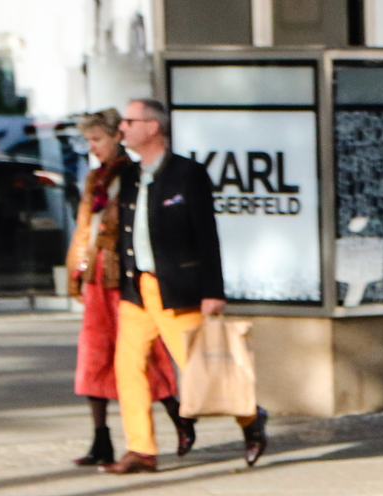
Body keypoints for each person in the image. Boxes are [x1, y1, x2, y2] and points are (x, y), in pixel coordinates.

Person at [105, 98, 269, 475]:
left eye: (129, 121)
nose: (122, 129)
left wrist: (213, 291)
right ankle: (140, 449)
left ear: (152, 127)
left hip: (177, 288)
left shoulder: (187, 173)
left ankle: (251, 419)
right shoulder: (128, 175)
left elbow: (207, 236)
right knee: (127, 367)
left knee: (200, 368)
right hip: (137, 287)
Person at [64, 110, 183, 467]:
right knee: (94, 354)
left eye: (97, 140)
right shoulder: (94, 178)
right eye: (88, 141)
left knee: (144, 357)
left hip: (126, 275)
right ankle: (101, 438)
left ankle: (180, 421)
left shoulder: (133, 175)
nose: (93, 148)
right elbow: (85, 225)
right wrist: (76, 269)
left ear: (116, 137)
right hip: (99, 275)